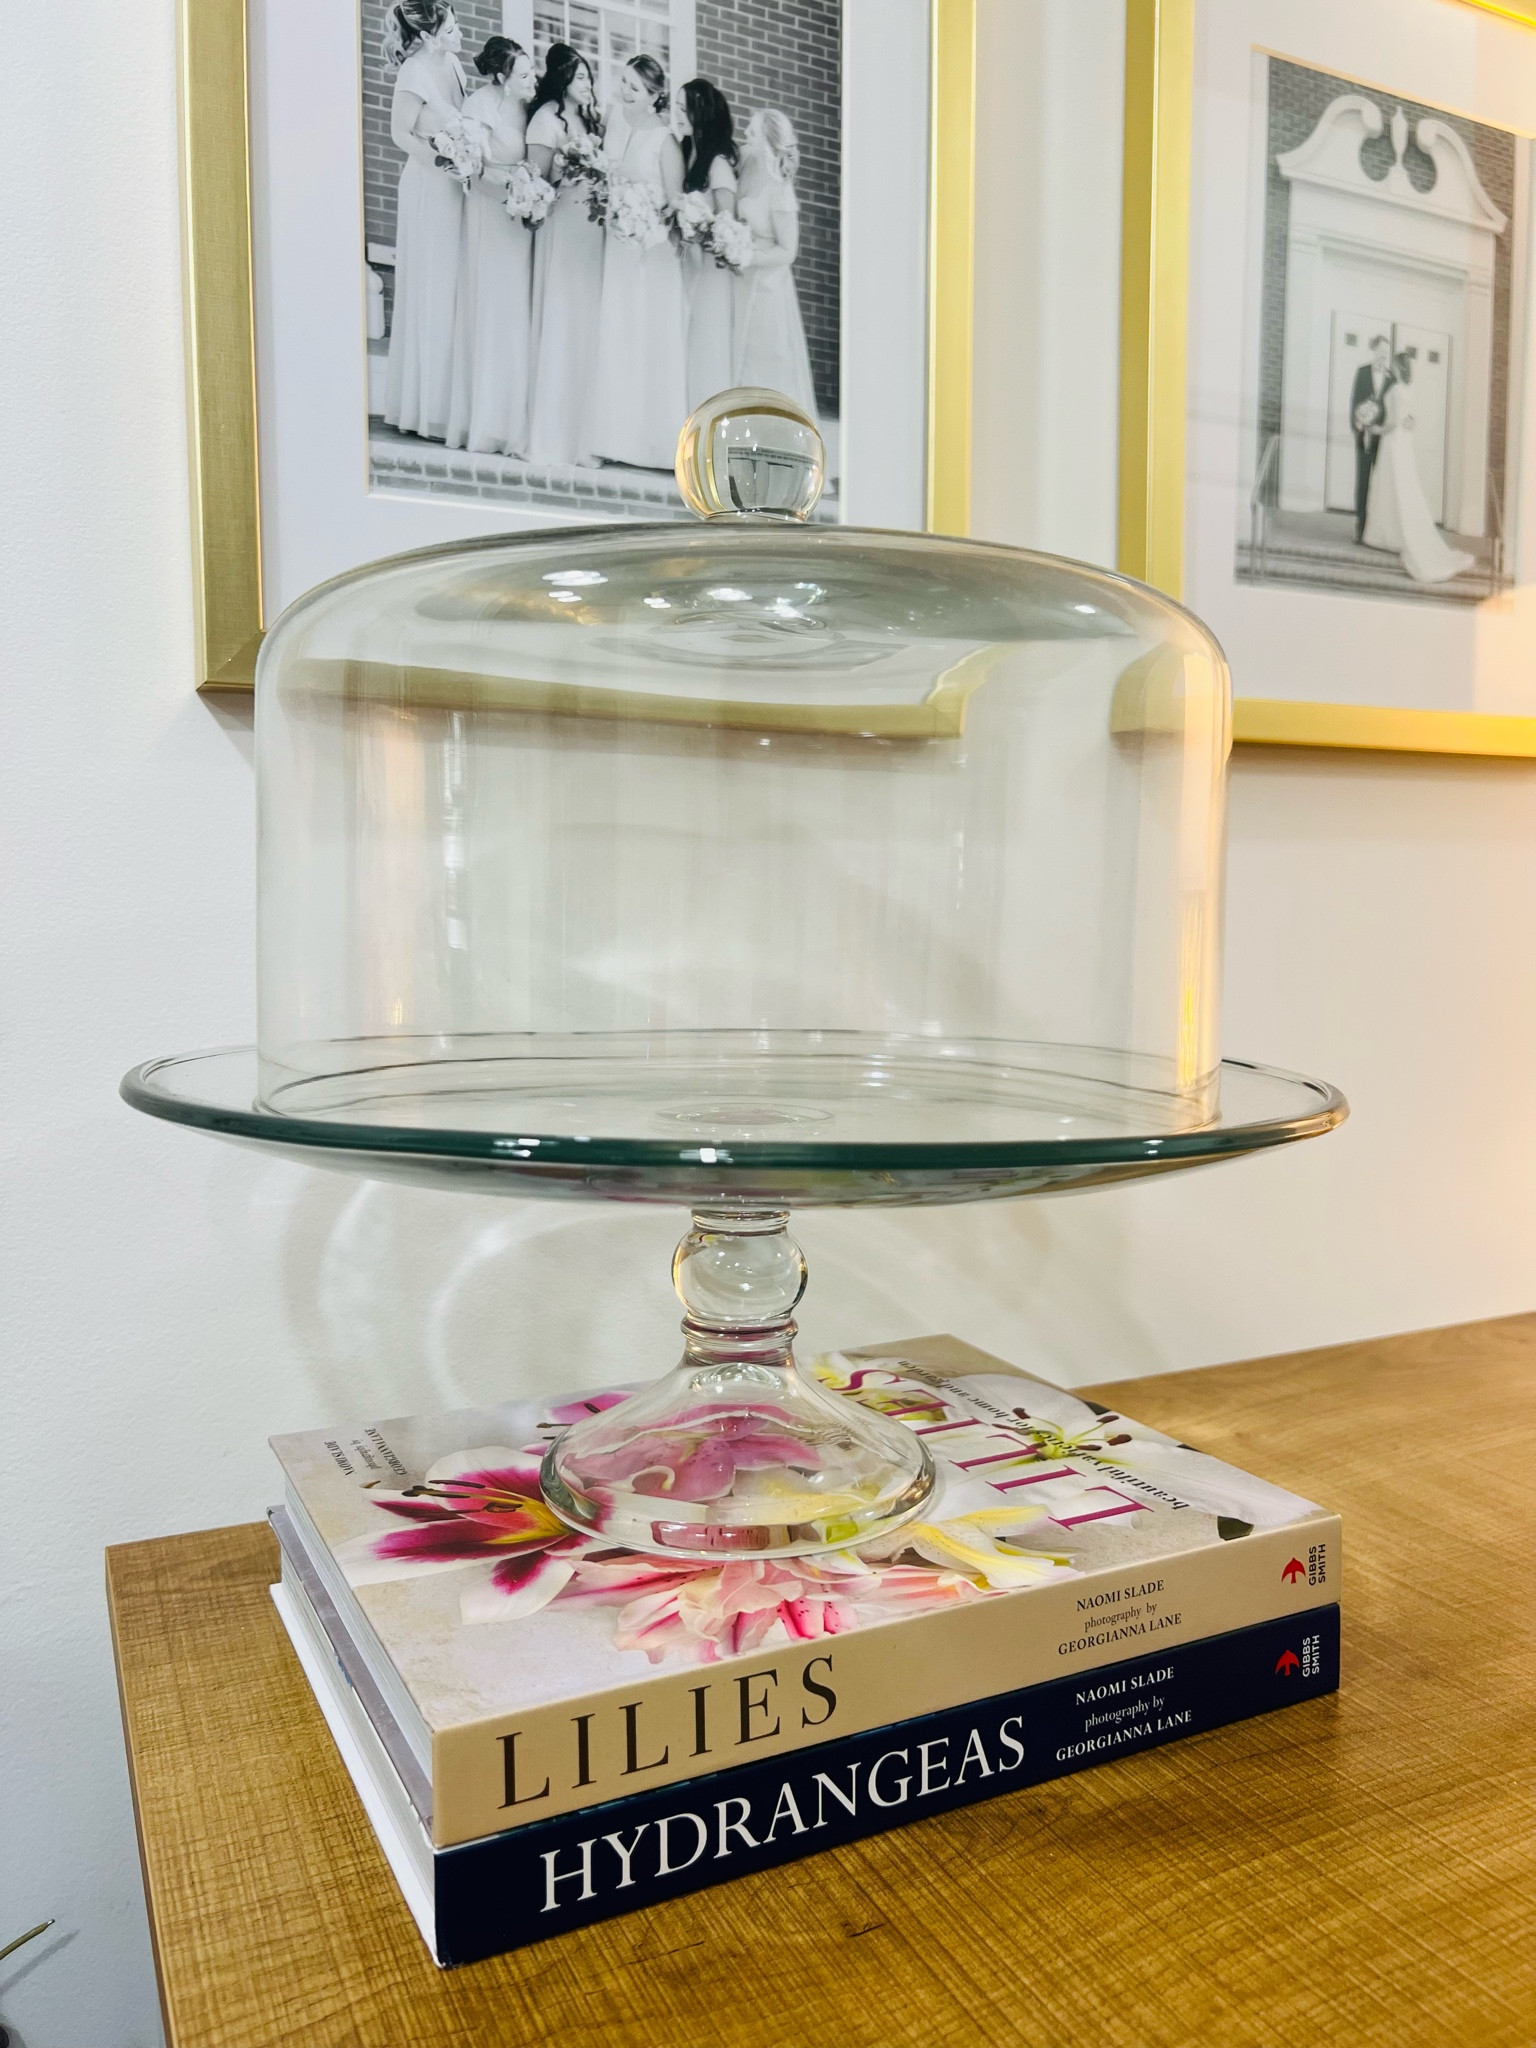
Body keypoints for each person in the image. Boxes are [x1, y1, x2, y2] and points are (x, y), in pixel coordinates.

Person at [587, 56, 688, 470]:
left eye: (633, 87)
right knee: (615, 335)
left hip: (651, 253)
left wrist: (645, 218)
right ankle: (610, 436)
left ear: (653, 96)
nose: (623, 91)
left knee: (646, 339)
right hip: (616, 245)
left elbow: (675, 202)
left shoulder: (666, 140)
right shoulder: (613, 122)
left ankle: (652, 442)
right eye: (623, 82)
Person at [383, 2, 468, 442]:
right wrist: (440, 157)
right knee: (432, 285)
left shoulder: (453, 64)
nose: (459, 32)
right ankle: (426, 407)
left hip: (455, 185)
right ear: (433, 34)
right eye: (452, 27)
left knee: (454, 286)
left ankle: (452, 403)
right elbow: (400, 133)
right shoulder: (414, 73)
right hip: (427, 184)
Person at [446, 36, 535, 456]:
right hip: (490, 215)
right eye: (523, 73)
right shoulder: (480, 107)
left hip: (520, 218)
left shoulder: (527, 106)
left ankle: (515, 418)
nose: (531, 78)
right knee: (493, 311)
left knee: (517, 314)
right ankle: (486, 421)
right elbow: (474, 171)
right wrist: (514, 188)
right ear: (501, 77)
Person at [525, 45, 605, 466]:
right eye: (580, 79)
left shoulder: (592, 119)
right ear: (561, 81)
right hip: (564, 225)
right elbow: (534, 184)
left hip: (592, 230)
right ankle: (554, 435)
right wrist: (566, 170)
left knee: (587, 326)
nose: (588, 85)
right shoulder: (545, 119)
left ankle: (585, 435)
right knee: (563, 320)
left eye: (590, 78)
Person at [731, 109, 818, 422]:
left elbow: (787, 251)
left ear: (768, 142)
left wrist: (749, 255)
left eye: (752, 134)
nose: (746, 139)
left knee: (766, 359)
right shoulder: (748, 171)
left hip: (768, 288)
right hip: (741, 280)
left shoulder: (781, 190)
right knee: (739, 357)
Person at [1362, 352, 1476, 584]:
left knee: (1390, 485)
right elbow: (1412, 419)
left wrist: (1374, 429)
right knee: (1403, 486)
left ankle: (1387, 535)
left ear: (1397, 367)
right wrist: (1407, 424)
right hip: (1405, 442)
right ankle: (1390, 534)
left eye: (1393, 364)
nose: (1390, 367)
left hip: (1393, 442)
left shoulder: (1394, 391)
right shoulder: (1409, 389)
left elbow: (1393, 423)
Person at [676, 79, 739, 411]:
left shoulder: (718, 164)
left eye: (683, 108)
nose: (678, 115)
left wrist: (697, 230)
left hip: (711, 273)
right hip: (687, 263)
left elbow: (726, 225)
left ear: (700, 113)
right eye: (675, 107)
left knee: (706, 344)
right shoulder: (687, 154)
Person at [1350, 335, 1394, 544]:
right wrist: (1360, 425)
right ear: (1373, 351)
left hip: (1383, 442)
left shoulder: (1392, 378)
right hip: (1364, 440)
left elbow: (1395, 409)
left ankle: (1379, 531)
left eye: (1386, 353)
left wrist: (1385, 429)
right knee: (1363, 483)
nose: (1383, 357)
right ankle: (1360, 527)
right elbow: (1355, 403)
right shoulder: (1362, 373)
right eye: (1380, 352)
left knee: (1383, 485)